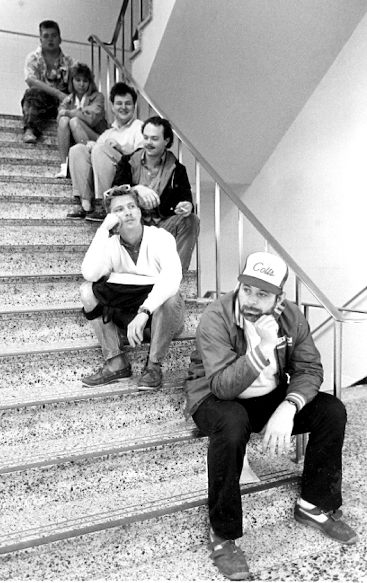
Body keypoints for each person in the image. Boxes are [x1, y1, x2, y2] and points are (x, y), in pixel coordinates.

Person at [184, 251, 358, 580]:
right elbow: (222, 387)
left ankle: (313, 505)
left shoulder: (292, 317)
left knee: (332, 410)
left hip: (268, 395)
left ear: (279, 297)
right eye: (247, 289)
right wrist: (263, 347)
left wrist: (289, 406)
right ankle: (223, 535)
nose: (251, 300)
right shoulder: (216, 316)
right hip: (213, 397)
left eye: (262, 294)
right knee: (232, 423)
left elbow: (309, 368)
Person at [80, 186, 184, 390]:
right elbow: (90, 274)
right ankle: (116, 362)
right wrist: (102, 230)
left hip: (161, 320)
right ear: (111, 216)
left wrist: (144, 312)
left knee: (171, 296)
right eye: (119, 209)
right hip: (128, 322)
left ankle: (153, 367)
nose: (127, 212)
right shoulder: (110, 244)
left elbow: (172, 277)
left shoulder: (160, 237)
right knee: (87, 290)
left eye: (131, 206)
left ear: (140, 211)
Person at [111, 116, 200, 272]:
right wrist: (136, 188)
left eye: (154, 138)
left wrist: (186, 206)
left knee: (191, 220)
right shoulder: (128, 161)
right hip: (135, 224)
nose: (148, 143)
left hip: (162, 225)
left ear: (166, 141)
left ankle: (173, 276)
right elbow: (114, 193)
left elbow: (186, 199)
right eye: (145, 137)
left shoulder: (177, 169)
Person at [67, 82, 144, 220]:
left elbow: (142, 158)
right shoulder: (108, 133)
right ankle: (85, 204)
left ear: (134, 106)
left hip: (126, 176)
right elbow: (95, 152)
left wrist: (121, 148)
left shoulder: (139, 127)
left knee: (100, 148)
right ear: (113, 107)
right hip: (107, 170)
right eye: (119, 103)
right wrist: (89, 145)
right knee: (78, 149)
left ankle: (105, 204)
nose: (123, 107)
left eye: (128, 103)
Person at [21, 20, 76, 144]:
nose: (50, 39)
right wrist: (57, 93)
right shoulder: (33, 57)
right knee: (32, 92)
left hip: (64, 103)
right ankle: (30, 130)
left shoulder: (70, 62)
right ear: (40, 39)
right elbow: (31, 80)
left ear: (60, 39)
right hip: (42, 102)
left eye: (54, 36)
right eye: (46, 36)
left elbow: (81, 80)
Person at [56, 62, 107, 178]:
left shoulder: (97, 97)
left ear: (90, 82)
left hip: (96, 137)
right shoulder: (69, 99)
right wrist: (71, 113)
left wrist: (70, 112)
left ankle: (88, 162)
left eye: (85, 81)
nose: (81, 84)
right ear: (72, 81)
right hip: (75, 137)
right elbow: (59, 117)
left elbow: (92, 118)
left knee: (74, 121)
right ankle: (64, 166)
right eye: (77, 80)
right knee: (63, 121)